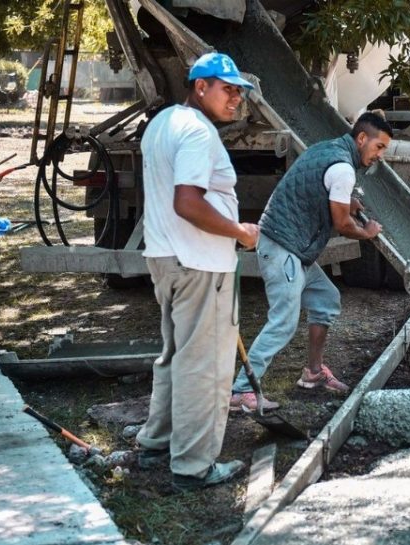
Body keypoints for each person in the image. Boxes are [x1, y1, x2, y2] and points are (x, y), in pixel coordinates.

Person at [134, 51, 261, 492]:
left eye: (240, 93)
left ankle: (156, 443)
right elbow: (187, 202)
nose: (236, 100)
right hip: (200, 262)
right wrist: (240, 231)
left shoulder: (163, 123)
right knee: (204, 367)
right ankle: (193, 466)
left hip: (165, 258)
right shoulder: (198, 133)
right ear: (200, 85)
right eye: (227, 89)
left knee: (174, 356)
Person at [228, 112, 389, 412]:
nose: (380, 155)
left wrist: (347, 202)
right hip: (283, 248)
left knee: (327, 299)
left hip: (292, 248)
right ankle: (240, 391)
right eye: (379, 147)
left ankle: (313, 373)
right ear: (362, 139)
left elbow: (318, 192)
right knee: (283, 323)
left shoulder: (328, 150)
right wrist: (366, 233)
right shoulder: (344, 169)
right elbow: (342, 224)